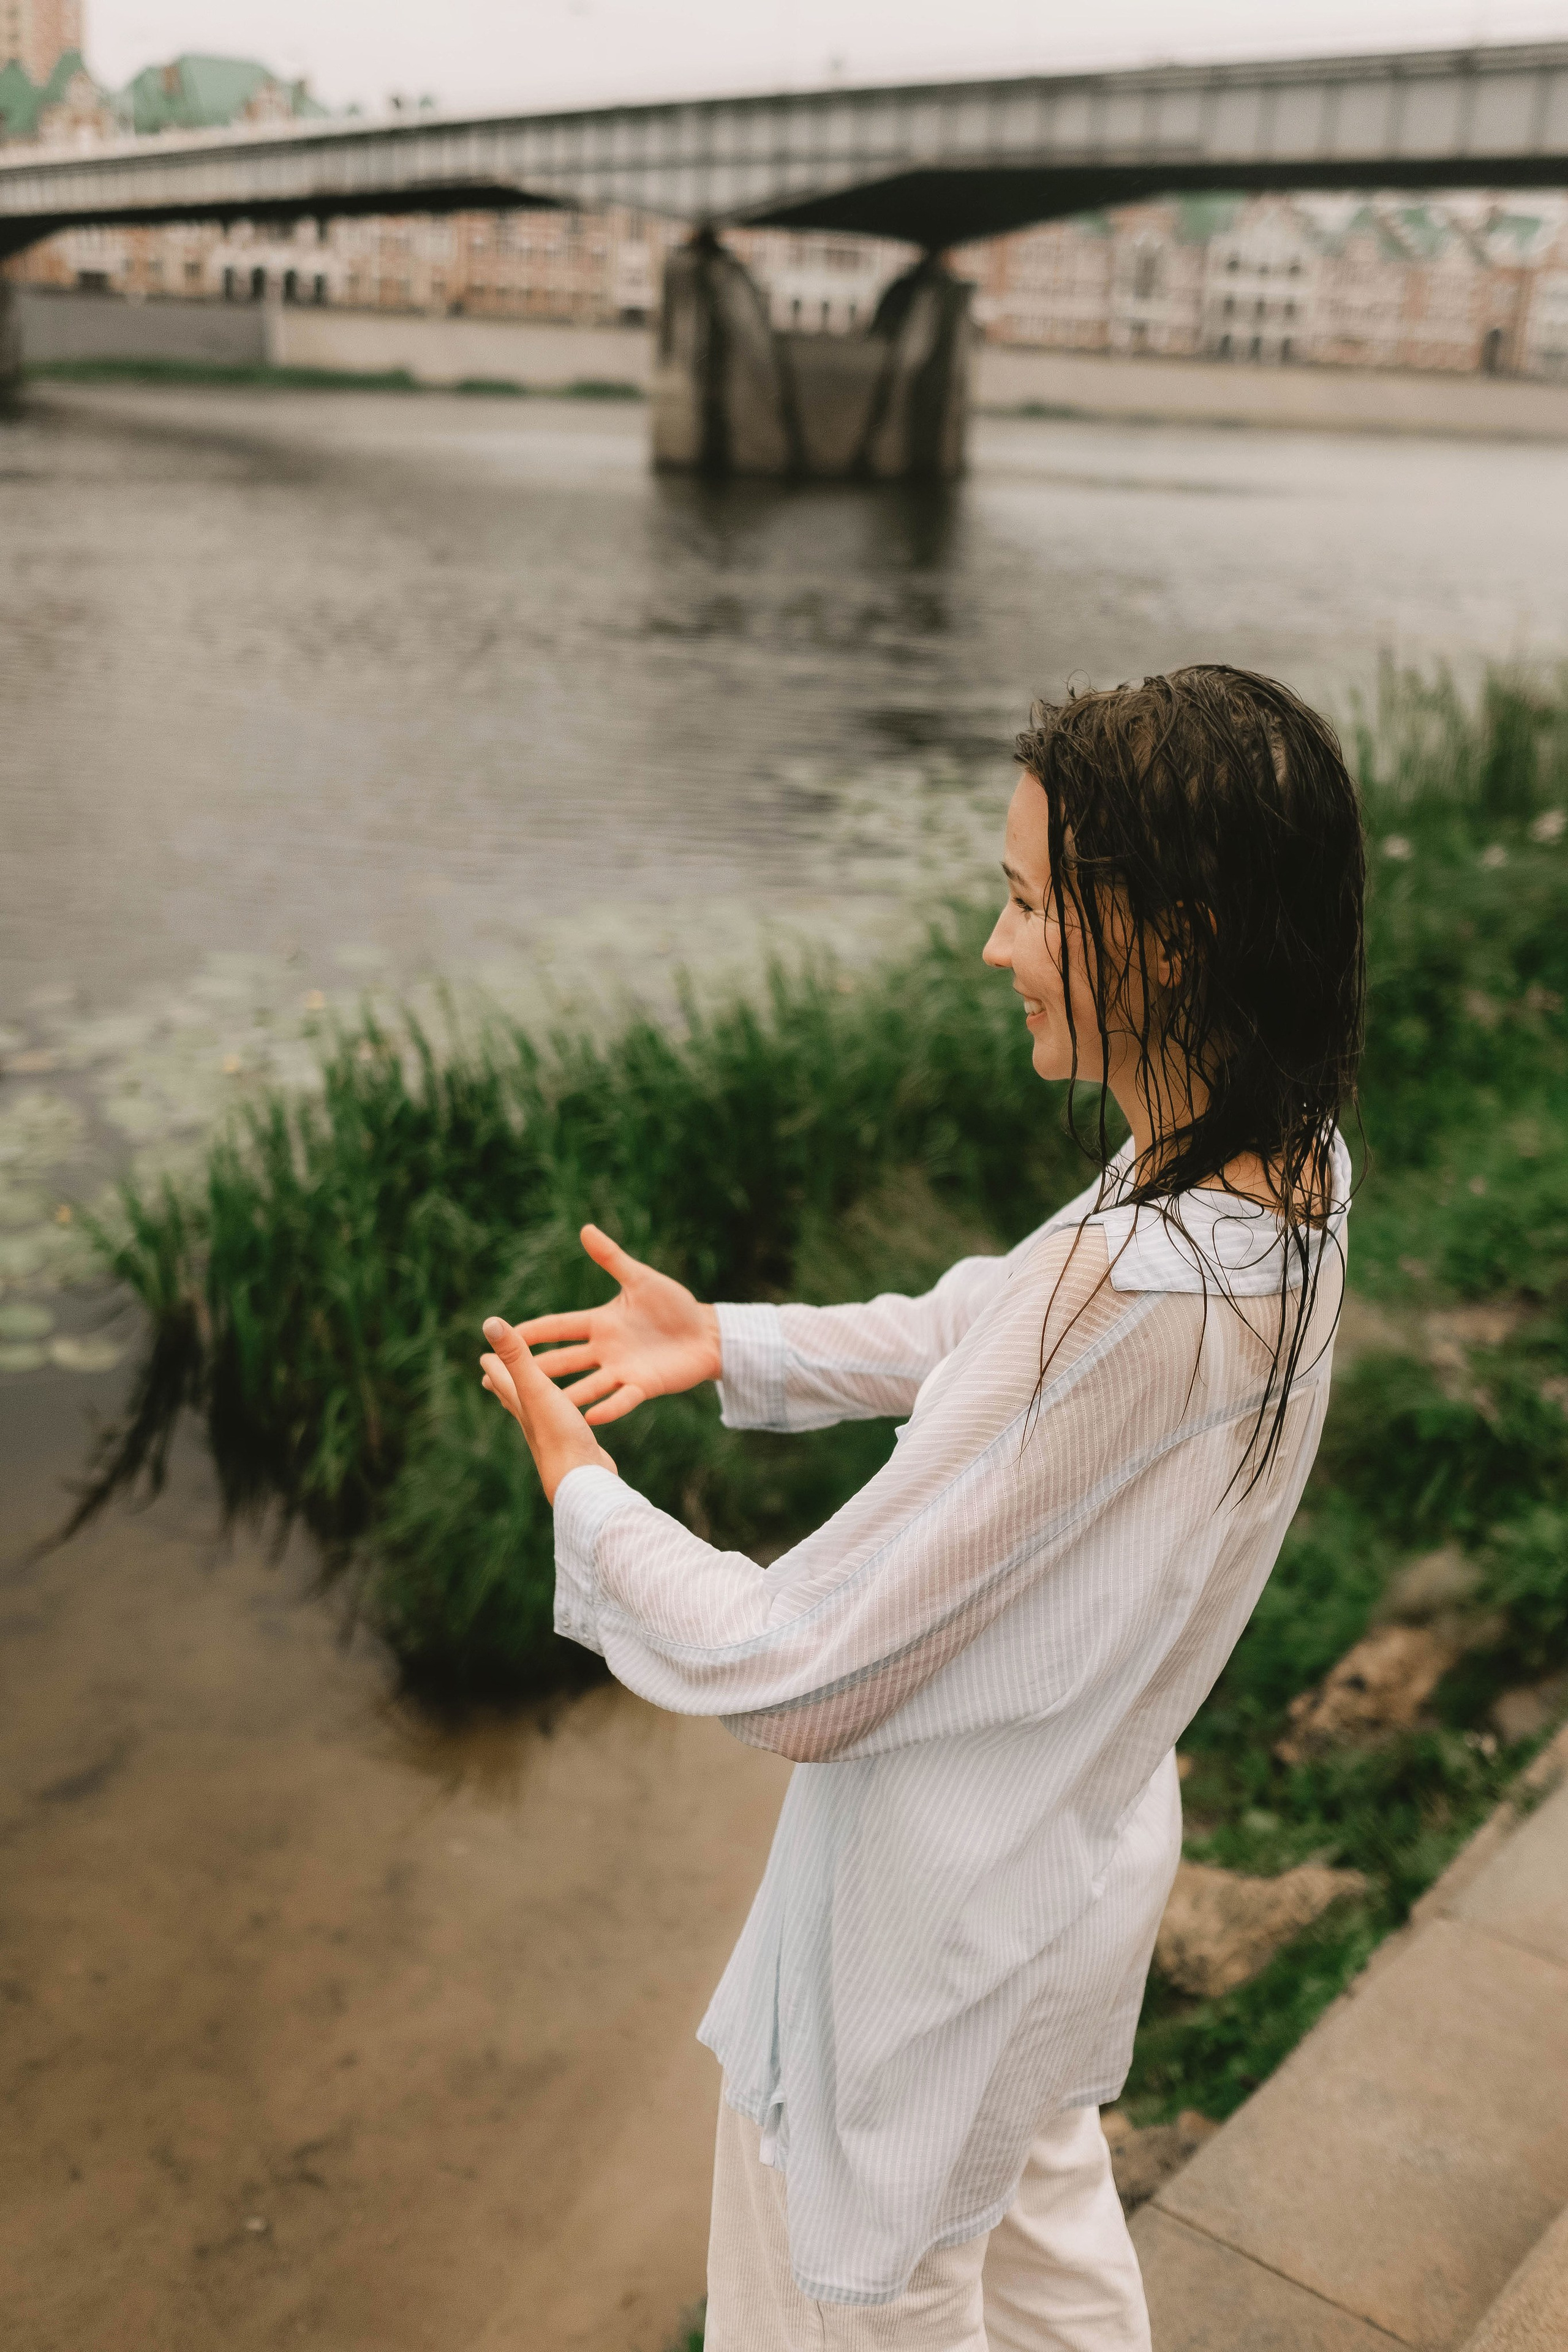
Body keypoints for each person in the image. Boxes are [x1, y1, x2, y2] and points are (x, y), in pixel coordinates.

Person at [478, 666, 1365, 2350]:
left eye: (1031, 902)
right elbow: (993, 1316)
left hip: (932, 1935)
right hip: (1072, 1863)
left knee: (859, 2297)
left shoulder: (1141, 1288)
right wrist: (730, 1343)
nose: (994, 943)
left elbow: (805, 1668)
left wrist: (586, 1503)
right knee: (1042, 2265)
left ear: (1168, 941)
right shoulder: (1287, 1177)